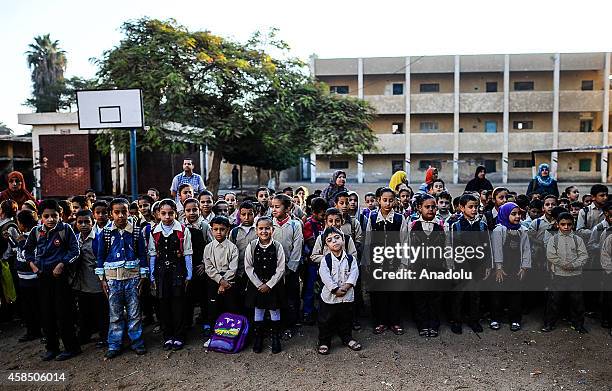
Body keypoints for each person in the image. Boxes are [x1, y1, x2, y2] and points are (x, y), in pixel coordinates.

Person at [24, 199, 80, 361]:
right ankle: (52, 348)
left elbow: (75, 251)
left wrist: (62, 264)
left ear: (60, 215)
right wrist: (32, 265)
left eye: (54, 216)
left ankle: (71, 347)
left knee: (64, 313)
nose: (50, 219)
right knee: (46, 314)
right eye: (46, 216)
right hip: (42, 277)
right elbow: (27, 250)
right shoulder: (36, 231)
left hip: (61, 278)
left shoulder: (65, 229)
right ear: (40, 216)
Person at [95, 198, 148, 359]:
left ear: (128, 212)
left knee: (134, 312)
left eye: (124, 212)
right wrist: (102, 279)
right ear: (111, 214)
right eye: (116, 212)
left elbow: (142, 255)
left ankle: (137, 342)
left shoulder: (136, 232)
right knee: (115, 313)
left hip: (132, 278)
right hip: (112, 279)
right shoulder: (105, 233)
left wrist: (143, 277)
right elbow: (100, 256)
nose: (121, 216)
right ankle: (114, 344)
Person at [149, 199, 193, 351]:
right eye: (163, 213)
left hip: (178, 271)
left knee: (178, 303)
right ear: (158, 214)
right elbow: (153, 254)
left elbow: (187, 253)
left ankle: (179, 335)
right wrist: (152, 275)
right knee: (164, 303)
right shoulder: (154, 231)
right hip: (161, 272)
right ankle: (168, 336)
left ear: (175, 213)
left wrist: (189, 274)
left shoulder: (182, 230)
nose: (167, 217)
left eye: (170, 213)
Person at [447, 193, 491, 334]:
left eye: (476, 207)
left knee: (475, 295)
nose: (474, 210)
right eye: (470, 207)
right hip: (460, 266)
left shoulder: (482, 226)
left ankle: (474, 320)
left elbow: (487, 246)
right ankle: (456, 321)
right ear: (461, 207)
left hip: (477, 266)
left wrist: (487, 265)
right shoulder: (456, 226)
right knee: (458, 295)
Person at [364, 187, 405, 335]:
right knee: (378, 293)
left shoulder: (400, 218)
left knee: (394, 293)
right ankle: (379, 322)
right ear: (378, 201)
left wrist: (403, 263)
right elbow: (368, 241)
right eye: (384, 200)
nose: (388, 203)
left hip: (394, 262)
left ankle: (394, 322)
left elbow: (404, 241)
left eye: (391, 200)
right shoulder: (373, 217)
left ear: (395, 201)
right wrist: (367, 261)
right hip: (377, 262)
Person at [407, 194, 447, 338]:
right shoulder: (413, 225)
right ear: (419, 208)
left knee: (435, 297)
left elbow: (447, 247)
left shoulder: (441, 225)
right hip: (418, 268)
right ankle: (422, 324)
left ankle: (433, 324)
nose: (430, 209)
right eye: (427, 207)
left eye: (433, 207)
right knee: (420, 297)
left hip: (436, 268)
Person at [245, 216, 286, 354]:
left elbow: (281, 268)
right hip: (256, 285)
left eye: (267, 228)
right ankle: (259, 338)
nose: (264, 231)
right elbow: (248, 267)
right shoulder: (251, 246)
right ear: (256, 230)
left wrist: (270, 284)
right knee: (259, 309)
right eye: (261, 228)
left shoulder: (278, 246)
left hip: (274, 285)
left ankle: (275, 338)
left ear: (272, 230)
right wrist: (258, 284)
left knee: (274, 309)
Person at [317, 227, 361, 355]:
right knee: (326, 320)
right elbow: (324, 275)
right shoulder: (326, 260)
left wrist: (347, 286)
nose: (334, 242)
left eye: (337, 238)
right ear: (326, 244)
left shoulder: (351, 259)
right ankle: (324, 341)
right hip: (330, 298)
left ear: (343, 239)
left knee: (346, 318)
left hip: (347, 296)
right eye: (330, 240)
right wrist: (335, 289)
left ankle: (347, 338)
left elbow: (354, 273)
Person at [542, 212, 588, 334]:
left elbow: (584, 255)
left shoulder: (578, 240)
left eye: (569, 224)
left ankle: (578, 324)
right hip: (559, 275)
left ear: (572, 225)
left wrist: (573, 265)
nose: (566, 227)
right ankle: (549, 324)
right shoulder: (554, 239)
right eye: (563, 224)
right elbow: (550, 255)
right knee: (554, 300)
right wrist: (563, 264)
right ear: (558, 225)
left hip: (575, 275)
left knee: (577, 301)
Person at [490, 202, 531, 331]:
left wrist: (524, 267)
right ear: (505, 214)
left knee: (516, 295)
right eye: (513, 214)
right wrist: (498, 268)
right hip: (502, 267)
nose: (517, 216)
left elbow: (526, 249)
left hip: (516, 267)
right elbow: (496, 249)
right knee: (498, 295)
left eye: (519, 214)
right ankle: (495, 318)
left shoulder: (522, 230)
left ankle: (515, 320)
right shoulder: (499, 230)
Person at [73, 210, 109, 348]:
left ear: (92, 222)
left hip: (97, 283)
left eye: (86, 222)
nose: (83, 225)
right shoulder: (75, 239)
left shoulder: (98, 239)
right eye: (80, 222)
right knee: (84, 311)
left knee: (101, 311)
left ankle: (104, 336)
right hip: (81, 283)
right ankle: (85, 335)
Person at [203, 216, 239, 344]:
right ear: (211, 230)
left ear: (228, 230)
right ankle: (214, 337)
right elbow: (209, 267)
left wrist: (225, 283)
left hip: (230, 282)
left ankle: (229, 338)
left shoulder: (233, 248)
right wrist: (221, 282)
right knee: (213, 309)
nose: (219, 232)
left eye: (222, 229)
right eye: (215, 229)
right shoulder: (208, 248)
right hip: (214, 281)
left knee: (230, 308)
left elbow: (233, 268)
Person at [271, 193, 304, 338]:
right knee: (277, 298)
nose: (274, 209)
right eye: (272, 207)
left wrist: (290, 268)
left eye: (277, 207)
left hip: (291, 269)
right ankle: (277, 325)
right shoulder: (268, 225)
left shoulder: (295, 225)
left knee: (292, 297)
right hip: (273, 270)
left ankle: (291, 324)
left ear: (287, 208)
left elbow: (297, 248)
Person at [14, 210, 41, 342]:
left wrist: (20, 243)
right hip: (23, 279)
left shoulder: (32, 237)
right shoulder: (23, 236)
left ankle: (35, 331)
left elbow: (29, 256)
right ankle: (33, 329)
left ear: (23, 224)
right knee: (28, 307)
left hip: (32, 279)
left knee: (33, 307)